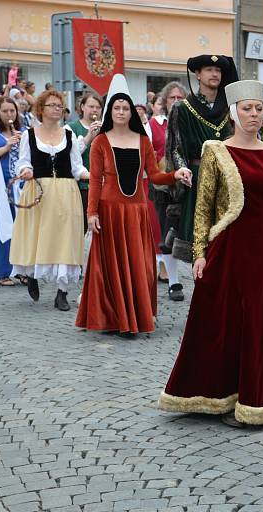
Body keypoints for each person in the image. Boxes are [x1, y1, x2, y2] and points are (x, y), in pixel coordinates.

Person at [159, 80, 263, 426]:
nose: (254, 114)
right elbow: (203, 207)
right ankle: (219, 393)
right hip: (230, 249)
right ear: (234, 113)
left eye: (258, 108)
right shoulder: (216, 151)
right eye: (247, 109)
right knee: (225, 322)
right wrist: (199, 252)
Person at [76, 77, 192, 336]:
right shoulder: (101, 142)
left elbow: (155, 175)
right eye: (116, 108)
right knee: (109, 266)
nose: (120, 112)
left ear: (132, 112)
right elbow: (95, 181)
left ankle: (133, 317)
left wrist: (176, 174)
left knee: (138, 264)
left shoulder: (142, 141)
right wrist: (91, 213)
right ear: (110, 112)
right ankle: (111, 318)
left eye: (125, 108)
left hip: (136, 211)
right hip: (109, 210)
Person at [10, 89, 90, 311]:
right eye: (52, 105)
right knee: (37, 235)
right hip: (38, 191)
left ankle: (62, 292)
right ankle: (32, 275)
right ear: (41, 109)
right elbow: (23, 161)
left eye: (60, 106)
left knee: (66, 238)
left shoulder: (69, 135)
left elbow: (76, 167)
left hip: (66, 192)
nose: (57, 109)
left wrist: (92, 176)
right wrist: (26, 170)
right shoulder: (30, 135)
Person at [166, 54, 238, 267]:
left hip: (227, 179)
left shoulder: (231, 108)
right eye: (209, 69)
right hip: (197, 180)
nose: (215, 74)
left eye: (218, 70)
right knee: (199, 245)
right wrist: (183, 171)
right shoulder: (182, 108)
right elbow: (175, 148)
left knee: (226, 241)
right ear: (197, 74)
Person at [149, 82, 188, 289]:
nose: (176, 102)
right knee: (165, 233)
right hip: (163, 185)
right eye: (172, 98)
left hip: (187, 181)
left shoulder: (190, 122)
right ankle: (173, 281)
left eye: (180, 98)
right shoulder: (153, 124)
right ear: (165, 101)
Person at [0, 97, 23, 286]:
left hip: (18, 185)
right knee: (2, 227)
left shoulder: (22, 132)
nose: (9, 115)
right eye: (5, 111)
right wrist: (7, 146)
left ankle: (22, 269)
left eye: (12, 111)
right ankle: (3, 271)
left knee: (21, 227)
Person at [67, 92, 104, 225]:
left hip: (104, 185)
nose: (95, 110)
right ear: (82, 107)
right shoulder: (70, 128)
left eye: (98, 107)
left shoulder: (106, 128)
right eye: (91, 106)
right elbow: (70, 155)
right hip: (82, 186)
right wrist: (89, 136)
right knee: (81, 226)